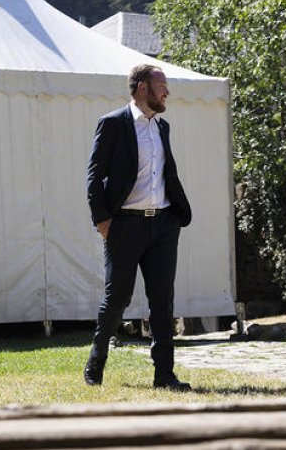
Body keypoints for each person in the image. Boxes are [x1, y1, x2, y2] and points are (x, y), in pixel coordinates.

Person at [84, 64, 193, 391]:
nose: (167, 92)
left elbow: (166, 173)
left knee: (163, 301)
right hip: (125, 225)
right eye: (162, 85)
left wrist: (175, 215)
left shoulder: (163, 127)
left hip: (163, 224)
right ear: (143, 87)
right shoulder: (113, 123)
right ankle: (96, 360)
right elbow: (94, 176)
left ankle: (164, 375)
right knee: (117, 297)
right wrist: (102, 219)